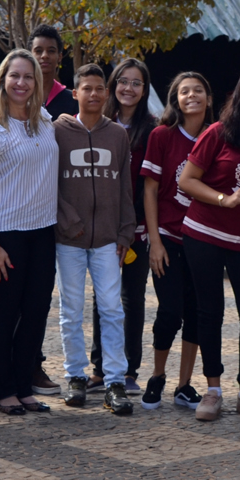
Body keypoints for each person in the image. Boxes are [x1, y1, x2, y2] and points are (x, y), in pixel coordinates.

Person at [179, 64, 240, 422]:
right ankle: (213, 390)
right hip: (204, 234)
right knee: (211, 311)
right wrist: (225, 199)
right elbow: (187, 181)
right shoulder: (218, 132)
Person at [0, 49, 60, 415]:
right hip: (6, 233)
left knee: (36, 311)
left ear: (37, 82)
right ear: (3, 81)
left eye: (28, 77)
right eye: (15, 76)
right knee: (7, 313)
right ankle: (2, 389)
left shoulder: (45, 119)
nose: (21, 83)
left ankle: (24, 386)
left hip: (43, 231)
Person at [54, 64, 137, 414]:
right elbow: (48, 182)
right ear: (75, 93)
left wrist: (125, 230)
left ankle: (115, 380)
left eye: (99, 88)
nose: (93, 94)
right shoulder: (58, 131)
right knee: (70, 311)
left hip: (107, 239)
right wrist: (68, 220)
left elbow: (124, 186)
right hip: (69, 239)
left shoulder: (117, 134)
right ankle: (75, 376)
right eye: (86, 88)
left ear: (107, 93)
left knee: (112, 309)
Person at [140, 71, 214, 410]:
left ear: (208, 99)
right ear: (176, 99)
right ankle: (157, 375)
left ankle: (184, 385)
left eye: (198, 90)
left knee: (198, 312)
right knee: (170, 310)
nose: (192, 96)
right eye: (184, 91)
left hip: (202, 238)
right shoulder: (162, 136)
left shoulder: (218, 137)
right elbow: (151, 189)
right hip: (167, 236)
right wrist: (154, 241)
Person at [87, 57, 157, 393]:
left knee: (131, 299)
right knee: (103, 299)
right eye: (123, 82)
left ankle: (129, 370)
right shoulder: (97, 125)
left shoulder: (154, 130)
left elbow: (151, 186)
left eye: (136, 83)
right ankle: (100, 369)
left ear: (144, 90)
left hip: (138, 229)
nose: (128, 88)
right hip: (101, 228)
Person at [28, 24, 73, 395]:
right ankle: (21, 363)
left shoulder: (70, 101)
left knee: (45, 293)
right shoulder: (15, 96)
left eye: (51, 50)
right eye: (38, 50)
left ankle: (34, 364)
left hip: (61, 208)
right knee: (19, 293)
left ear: (61, 56)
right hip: (20, 207)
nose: (45, 56)